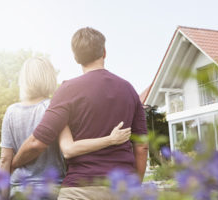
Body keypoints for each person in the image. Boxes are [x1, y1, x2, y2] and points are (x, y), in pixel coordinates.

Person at [11, 27, 148, 200]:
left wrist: (13, 163)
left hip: (80, 190)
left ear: (76, 58)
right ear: (104, 52)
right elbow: (142, 147)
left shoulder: (67, 90)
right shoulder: (129, 90)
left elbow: (37, 142)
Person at [0, 56, 131, 199]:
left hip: (19, 190)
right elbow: (69, 148)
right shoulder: (55, 108)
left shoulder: (11, 112)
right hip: (52, 188)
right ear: (49, 78)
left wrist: (3, 196)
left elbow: (5, 159)